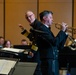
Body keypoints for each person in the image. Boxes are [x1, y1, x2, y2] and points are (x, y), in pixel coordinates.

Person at [35, 10, 68, 75]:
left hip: (53, 60)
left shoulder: (47, 30)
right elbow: (54, 42)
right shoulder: (42, 29)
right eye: (50, 17)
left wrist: (65, 33)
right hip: (48, 62)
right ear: (44, 18)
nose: (52, 20)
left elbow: (58, 45)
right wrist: (62, 31)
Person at [19, 11, 42, 75]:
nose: (29, 18)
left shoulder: (38, 25)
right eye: (27, 17)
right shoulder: (35, 25)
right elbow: (32, 38)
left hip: (40, 52)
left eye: (30, 16)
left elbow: (37, 40)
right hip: (38, 51)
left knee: (37, 70)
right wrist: (24, 30)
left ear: (34, 15)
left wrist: (33, 51)